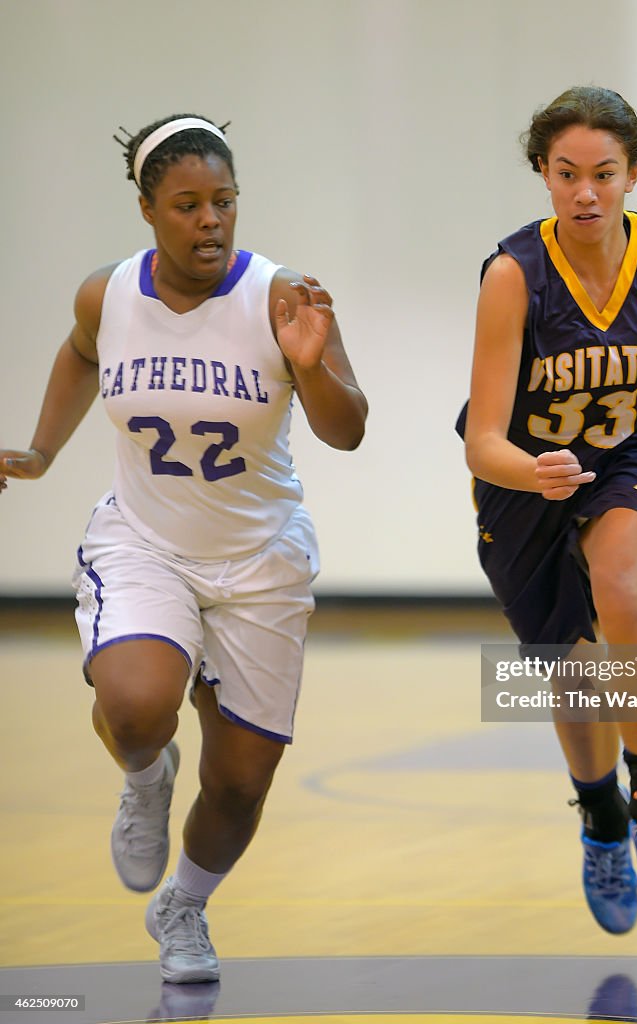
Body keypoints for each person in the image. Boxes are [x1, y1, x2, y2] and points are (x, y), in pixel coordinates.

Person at [0, 114, 367, 982]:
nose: (211, 220)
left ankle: (184, 907)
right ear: (147, 210)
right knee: (136, 706)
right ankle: (144, 776)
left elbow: (347, 430)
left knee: (241, 781)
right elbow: (82, 354)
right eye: (189, 204)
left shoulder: (282, 295)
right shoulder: (109, 293)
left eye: (225, 202)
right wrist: (42, 452)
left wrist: (311, 367)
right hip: (146, 541)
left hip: (260, 558)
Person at [457, 85, 637, 935]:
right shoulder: (514, 275)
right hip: (529, 474)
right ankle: (601, 816)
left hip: (634, 457)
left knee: (622, 588)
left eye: (603, 174)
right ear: (543, 175)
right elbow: (480, 439)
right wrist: (528, 468)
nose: (585, 192)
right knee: (574, 675)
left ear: (633, 174)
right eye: (566, 173)